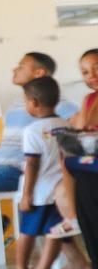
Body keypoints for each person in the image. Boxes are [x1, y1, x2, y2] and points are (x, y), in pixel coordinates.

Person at [0, 52, 77, 258]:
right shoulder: (19, 102)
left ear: (39, 72)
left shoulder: (52, 101)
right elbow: (6, 139)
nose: (14, 69)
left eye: (21, 66)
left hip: (15, 168)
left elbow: (76, 124)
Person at [12, 77, 69, 269]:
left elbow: (32, 164)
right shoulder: (66, 125)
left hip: (37, 192)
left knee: (26, 233)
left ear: (33, 102)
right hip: (59, 194)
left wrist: (26, 195)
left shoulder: (33, 131)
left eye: (25, 101)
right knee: (54, 233)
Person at [47, 48, 98, 242]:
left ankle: (73, 217)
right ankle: (72, 216)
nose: (91, 75)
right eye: (85, 72)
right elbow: (83, 129)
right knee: (66, 155)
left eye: (96, 68)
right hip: (91, 157)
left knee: (70, 161)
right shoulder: (89, 99)